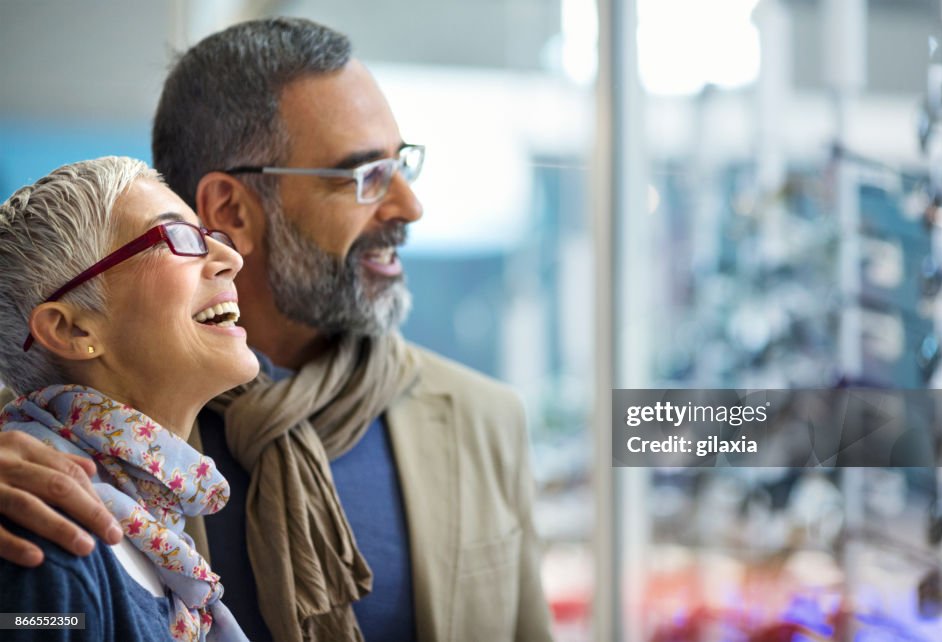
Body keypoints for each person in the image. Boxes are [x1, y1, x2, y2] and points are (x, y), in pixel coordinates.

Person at [0, 18, 553, 642]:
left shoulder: (487, 420)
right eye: (365, 176)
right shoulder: (42, 458)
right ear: (231, 210)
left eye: (402, 166)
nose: (409, 206)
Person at [0, 156, 257, 640]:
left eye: (211, 238)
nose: (232, 258)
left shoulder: (149, 521)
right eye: (179, 238)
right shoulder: (45, 528)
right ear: (72, 328)